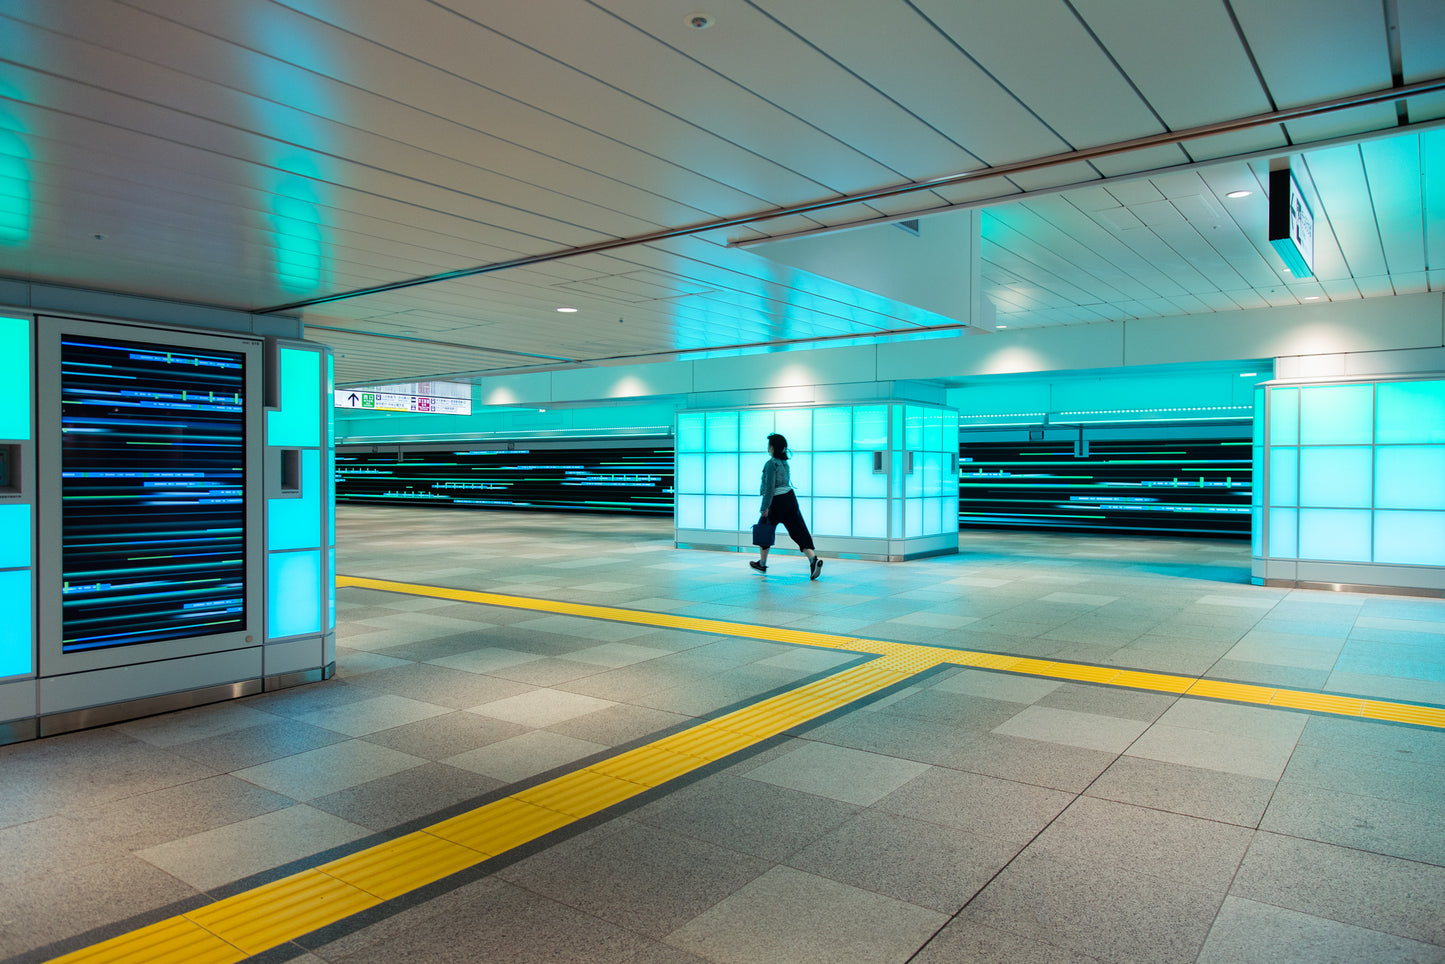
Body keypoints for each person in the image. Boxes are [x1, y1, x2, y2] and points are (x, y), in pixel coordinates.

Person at [751, 432, 823, 580]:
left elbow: (770, 488)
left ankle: (762, 564)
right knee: (799, 530)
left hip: (776, 501)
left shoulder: (771, 464)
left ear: (773, 447)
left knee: (764, 529)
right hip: (790, 499)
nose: (767, 447)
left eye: (769, 445)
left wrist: (764, 507)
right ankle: (813, 560)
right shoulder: (784, 463)